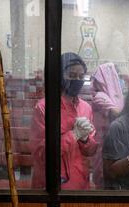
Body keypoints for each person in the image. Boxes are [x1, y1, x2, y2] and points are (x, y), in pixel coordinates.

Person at [30, 52, 97, 189]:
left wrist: (85, 139)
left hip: (80, 184)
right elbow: (42, 154)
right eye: (71, 76)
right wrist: (73, 135)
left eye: (81, 76)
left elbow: (91, 151)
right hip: (52, 185)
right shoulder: (44, 108)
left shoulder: (86, 108)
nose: (77, 80)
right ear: (60, 76)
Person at [91, 63, 124, 189]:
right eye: (116, 76)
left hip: (113, 142)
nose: (118, 80)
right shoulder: (100, 97)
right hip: (104, 144)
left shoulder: (113, 96)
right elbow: (117, 114)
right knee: (104, 177)